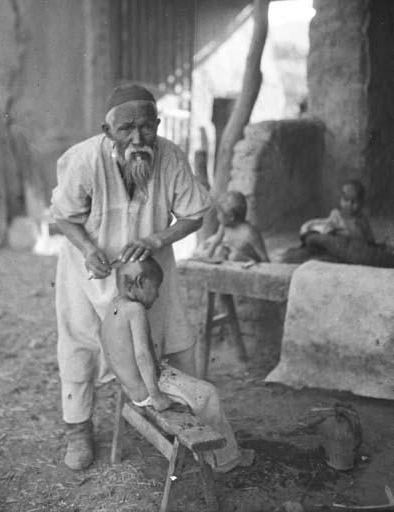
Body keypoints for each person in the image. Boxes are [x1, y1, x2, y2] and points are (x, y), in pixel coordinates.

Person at [50, 83, 211, 470]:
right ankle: (78, 428)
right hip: (89, 270)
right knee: (81, 342)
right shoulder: (86, 161)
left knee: (168, 335)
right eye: (126, 129)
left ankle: (187, 419)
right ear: (108, 132)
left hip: (151, 272)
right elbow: (62, 217)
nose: (138, 138)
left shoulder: (170, 158)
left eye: (146, 127)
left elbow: (194, 213)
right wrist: (89, 250)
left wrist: (158, 237)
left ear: (157, 124)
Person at [101, 257, 254, 473]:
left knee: (193, 389)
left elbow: (110, 349)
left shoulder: (115, 305)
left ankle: (212, 452)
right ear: (142, 282)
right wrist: (155, 396)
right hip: (149, 388)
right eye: (157, 288)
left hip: (132, 386)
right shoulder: (135, 310)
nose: (158, 294)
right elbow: (143, 356)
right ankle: (225, 460)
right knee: (208, 394)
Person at [195, 190, 269, 263]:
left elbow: (264, 257)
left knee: (234, 256)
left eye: (219, 213)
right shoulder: (224, 226)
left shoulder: (250, 233)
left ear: (231, 217)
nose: (217, 216)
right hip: (234, 257)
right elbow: (215, 243)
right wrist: (207, 257)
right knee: (221, 250)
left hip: (250, 262)